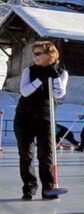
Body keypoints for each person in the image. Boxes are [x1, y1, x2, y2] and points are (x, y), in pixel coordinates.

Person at [13, 40, 69, 199]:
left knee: (46, 155)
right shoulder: (28, 71)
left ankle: (48, 188)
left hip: (46, 117)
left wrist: (54, 76)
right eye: (34, 53)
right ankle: (29, 187)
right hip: (25, 117)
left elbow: (59, 94)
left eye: (38, 53)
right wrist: (41, 78)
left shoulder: (62, 73)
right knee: (26, 155)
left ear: (50, 55)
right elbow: (24, 91)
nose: (35, 57)